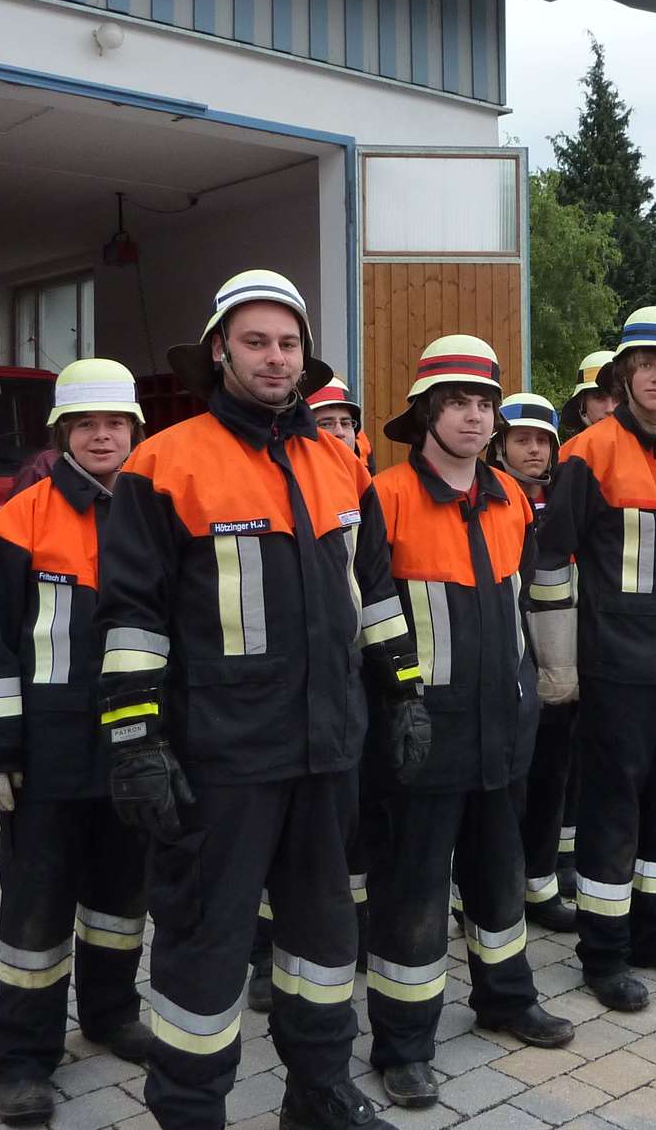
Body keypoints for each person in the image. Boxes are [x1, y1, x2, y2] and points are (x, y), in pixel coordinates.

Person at [95, 270, 425, 1130]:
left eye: (288, 343)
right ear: (220, 351)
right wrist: (136, 742)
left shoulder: (341, 463)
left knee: (323, 941)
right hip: (221, 759)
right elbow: (130, 619)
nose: (275, 357)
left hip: (327, 752)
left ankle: (318, 1094)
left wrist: (404, 696)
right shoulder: (164, 465)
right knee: (205, 948)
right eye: (255, 342)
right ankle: (189, 1110)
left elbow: (377, 596)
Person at [363, 339, 573, 1109]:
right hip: (421, 732)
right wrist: (398, 702)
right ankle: (402, 1044)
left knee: (499, 873)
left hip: (502, 726)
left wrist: (539, 688)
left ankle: (506, 999)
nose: (473, 416)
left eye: (484, 403)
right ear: (426, 413)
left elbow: (524, 605)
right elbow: (369, 612)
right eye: (456, 402)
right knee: (414, 892)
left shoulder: (510, 497)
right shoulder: (385, 498)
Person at [0, 359, 153, 1126]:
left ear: (134, 430)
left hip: (133, 750)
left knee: (121, 900)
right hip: (45, 758)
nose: (102, 436)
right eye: (87, 424)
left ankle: (111, 1015)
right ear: (62, 433)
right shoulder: (21, 520)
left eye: (115, 423)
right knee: (36, 916)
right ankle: (21, 1058)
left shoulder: (155, 512)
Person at [530, 307, 656, 1013]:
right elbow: (550, 562)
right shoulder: (588, 453)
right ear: (624, 375)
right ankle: (603, 954)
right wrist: (560, 664)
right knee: (611, 810)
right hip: (614, 664)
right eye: (646, 366)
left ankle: (655, 934)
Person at [246, 373, 376, 1013]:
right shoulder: (272, 479)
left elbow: (377, 588)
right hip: (281, 699)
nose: (339, 432)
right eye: (327, 423)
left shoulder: (362, 486)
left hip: (353, 690)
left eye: (347, 422)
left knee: (348, 835)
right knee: (282, 844)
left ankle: (346, 936)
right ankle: (267, 955)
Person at [488, 394, 577, 933]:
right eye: (522, 439)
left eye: (543, 441)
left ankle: (540, 887)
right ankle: (488, 894)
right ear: (500, 446)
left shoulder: (565, 501)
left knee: (550, 783)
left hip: (559, 673)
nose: (534, 450)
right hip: (504, 671)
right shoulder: (485, 499)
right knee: (503, 794)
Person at [551, 351, 617, 897]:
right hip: (565, 621)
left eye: (614, 396)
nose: (609, 406)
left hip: (604, 623)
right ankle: (562, 854)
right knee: (564, 750)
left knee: (595, 750)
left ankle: (581, 850)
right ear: (581, 405)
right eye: (599, 397)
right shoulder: (570, 457)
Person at [309, 376, 375, 471]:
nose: (340, 432)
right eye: (326, 424)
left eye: (345, 424)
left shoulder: (364, 473)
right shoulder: (291, 476)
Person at [557, 349, 618, 439]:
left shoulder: (640, 446)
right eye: (599, 397)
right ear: (581, 403)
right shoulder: (571, 448)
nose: (610, 409)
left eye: (618, 397)